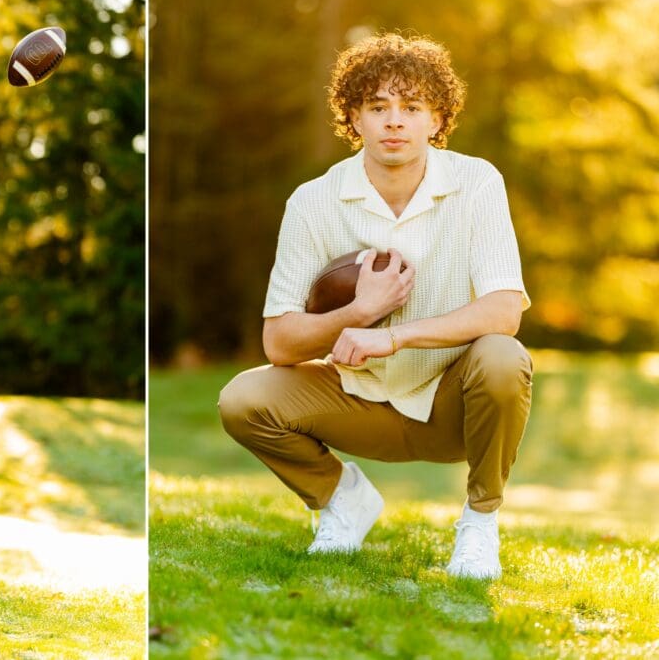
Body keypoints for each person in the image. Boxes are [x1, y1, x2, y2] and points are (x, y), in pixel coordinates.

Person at [218, 33, 532, 579]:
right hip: (355, 400)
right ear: (353, 118)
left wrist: (391, 336)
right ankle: (343, 500)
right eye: (378, 107)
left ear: (436, 118)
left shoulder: (478, 182)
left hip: (448, 405)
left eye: (411, 108)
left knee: (504, 356)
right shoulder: (312, 200)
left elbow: (505, 309)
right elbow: (279, 342)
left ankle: (480, 523)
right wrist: (358, 314)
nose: (394, 121)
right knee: (243, 398)